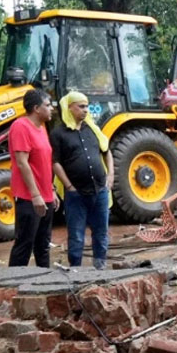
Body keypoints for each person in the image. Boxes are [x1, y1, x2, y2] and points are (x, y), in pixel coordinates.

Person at [51, 91, 114, 269]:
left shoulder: (93, 129)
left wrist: (110, 176)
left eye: (87, 106)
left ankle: (100, 267)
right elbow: (55, 162)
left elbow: (107, 151)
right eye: (81, 106)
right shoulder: (59, 134)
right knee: (76, 235)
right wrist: (69, 186)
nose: (86, 110)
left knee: (101, 232)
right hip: (76, 194)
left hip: (100, 191)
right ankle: (76, 269)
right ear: (69, 108)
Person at [8, 89, 56, 268]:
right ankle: (13, 286)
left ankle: (45, 284)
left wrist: (51, 190)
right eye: (48, 105)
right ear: (36, 108)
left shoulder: (42, 128)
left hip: (45, 197)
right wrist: (36, 195)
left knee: (43, 246)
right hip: (29, 198)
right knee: (24, 245)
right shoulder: (20, 126)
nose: (51, 109)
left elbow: (43, 163)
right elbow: (22, 163)